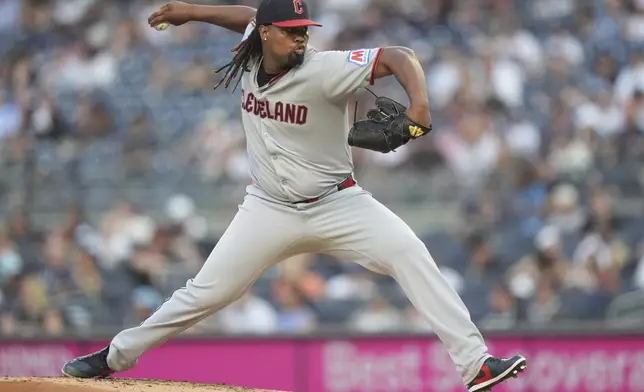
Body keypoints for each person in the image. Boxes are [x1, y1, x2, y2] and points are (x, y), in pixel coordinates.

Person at [62, 1, 527, 391]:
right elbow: (245, 15)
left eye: (304, 30)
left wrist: (421, 107)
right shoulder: (249, 52)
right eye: (289, 31)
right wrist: (190, 11)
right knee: (203, 294)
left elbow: (400, 55)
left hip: (338, 203)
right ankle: (115, 357)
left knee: (411, 253)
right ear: (265, 34)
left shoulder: (324, 69)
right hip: (267, 208)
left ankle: (476, 364)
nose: (300, 39)